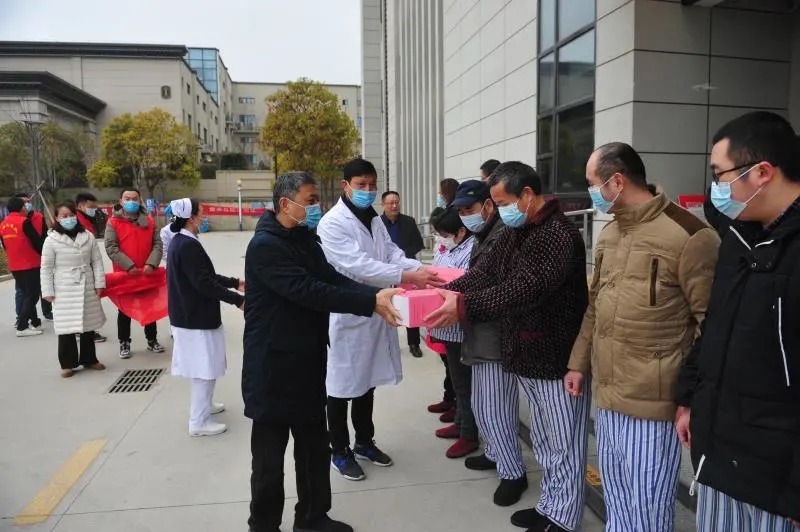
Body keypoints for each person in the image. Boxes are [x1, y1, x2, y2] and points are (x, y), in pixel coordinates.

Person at [563, 143, 720, 531]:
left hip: (654, 402)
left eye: (593, 184)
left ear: (617, 181)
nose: (591, 193)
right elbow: (596, 306)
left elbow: (712, 325)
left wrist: (692, 398)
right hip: (608, 395)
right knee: (617, 498)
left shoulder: (690, 235)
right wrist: (578, 363)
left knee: (648, 507)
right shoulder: (610, 233)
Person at [426, 161, 590, 532]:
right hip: (527, 352)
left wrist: (464, 306)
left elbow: (525, 288)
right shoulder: (519, 231)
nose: (499, 211)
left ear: (527, 194)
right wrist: (446, 294)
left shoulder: (556, 234)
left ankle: (563, 518)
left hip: (556, 356)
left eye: (502, 203)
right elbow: (485, 274)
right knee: (546, 441)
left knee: (562, 443)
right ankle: (551, 506)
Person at [242, 172, 404, 532]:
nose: (317, 207)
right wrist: (369, 302)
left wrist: (374, 294)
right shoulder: (266, 246)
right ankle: (263, 526)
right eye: (311, 200)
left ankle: (313, 518)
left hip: (307, 362)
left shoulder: (303, 238)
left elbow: (330, 277)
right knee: (269, 462)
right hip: (272, 370)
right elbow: (308, 290)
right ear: (285, 203)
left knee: (314, 449)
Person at [675, 111, 800, 531]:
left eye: (720, 174)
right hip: (720, 456)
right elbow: (716, 326)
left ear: (762, 172)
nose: (715, 188)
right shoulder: (739, 237)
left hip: (776, 481)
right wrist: (690, 399)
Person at [317, 157, 443, 482]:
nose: (368, 190)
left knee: (367, 382)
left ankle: (364, 442)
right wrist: (407, 276)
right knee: (340, 387)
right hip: (347, 314)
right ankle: (339, 451)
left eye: (372, 185)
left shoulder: (373, 219)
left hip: (376, 309)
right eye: (361, 185)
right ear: (345, 185)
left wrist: (418, 268)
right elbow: (358, 265)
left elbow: (390, 253)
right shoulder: (332, 223)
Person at [452, 179, 528, 506]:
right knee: (483, 406)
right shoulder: (484, 234)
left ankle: (513, 473)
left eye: (469, 209)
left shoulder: (502, 235)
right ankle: (496, 454)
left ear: (487, 205)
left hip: (497, 337)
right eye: (460, 211)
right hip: (481, 335)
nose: (464, 216)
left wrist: (454, 298)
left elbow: (493, 284)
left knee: (496, 410)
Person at [167, 198, 244, 437]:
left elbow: (205, 276)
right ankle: (198, 422)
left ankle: (206, 405)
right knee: (204, 368)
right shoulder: (186, 245)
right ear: (191, 217)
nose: (204, 216)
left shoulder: (183, 241)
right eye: (201, 212)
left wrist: (235, 283)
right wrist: (237, 300)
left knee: (205, 365)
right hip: (194, 318)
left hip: (191, 315)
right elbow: (204, 284)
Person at [428, 206, 478, 458]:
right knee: (457, 382)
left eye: (445, 234)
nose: (441, 239)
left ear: (461, 231)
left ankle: (468, 434)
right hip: (446, 326)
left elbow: (458, 283)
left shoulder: (471, 250)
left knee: (465, 384)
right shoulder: (450, 247)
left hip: (459, 327)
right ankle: (460, 422)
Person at [40, 202, 107, 378]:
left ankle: (89, 359)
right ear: (56, 218)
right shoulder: (51, 239)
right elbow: (46, 268)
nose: (68, 219)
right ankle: (67, 364)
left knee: (88, 325)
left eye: (71, 215)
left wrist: (99, 283)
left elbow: (97, 262)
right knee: (66, 327)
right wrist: (47, 290)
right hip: (64, 287)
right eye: (64, 216)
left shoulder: (88, 236)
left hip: (87, 283)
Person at [104, 189, 165, 358]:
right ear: (121, 201)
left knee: (149, 307)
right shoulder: (113, 222)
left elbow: (157, 244)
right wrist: (128, 266)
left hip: (147, 273)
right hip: (125, 275)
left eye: (134, 199)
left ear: (140, 201)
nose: (131, 201)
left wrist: (151, 264)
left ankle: (152, 340)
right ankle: (124, 342)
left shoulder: (149, 221)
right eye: (127, 198)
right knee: (125, 310)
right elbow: (111, 247)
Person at [380, 190, 425, 358]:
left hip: (408, 270)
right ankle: (387, 344)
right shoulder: (377, 223)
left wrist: (401, 257)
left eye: (397, 202)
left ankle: (414, 343)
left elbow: (418, 244)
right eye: (390, 203)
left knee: (410, 306)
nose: (394, 206)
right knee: (385, 305)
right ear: (383, 205)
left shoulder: (409, 222)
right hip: (384, 270)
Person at [0, 197, 45, 337]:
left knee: (27, 294)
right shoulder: (24, 222)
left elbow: (5, 245)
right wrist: (45, 255)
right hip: (30, 263)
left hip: (15, 265)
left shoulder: (3, 225)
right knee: (33, 295)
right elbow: (37, 242)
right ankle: (22, 326)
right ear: (21, 208)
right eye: (25, 207)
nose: (26, 209)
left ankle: (35, 322)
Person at [12, 192, 52, 324]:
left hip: (40, 258)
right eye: (23, 202)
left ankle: (46, 312)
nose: (26, 204)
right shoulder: (15, 221)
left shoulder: (39, 217)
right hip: (24, 262)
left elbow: (45, 235)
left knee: (44, 286)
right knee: (23, 292)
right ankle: (21, 318)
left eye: (28, 201)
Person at [74, 192, 107, 344]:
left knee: (88, 301)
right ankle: (82, 331)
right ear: (81, 205)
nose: (94, 210)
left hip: (87, 266)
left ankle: (87, 330)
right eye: (91, 206)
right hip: (80, 268)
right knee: (84, 301)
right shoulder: (76, 221)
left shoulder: (86, 219)